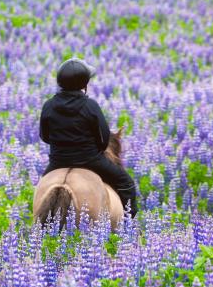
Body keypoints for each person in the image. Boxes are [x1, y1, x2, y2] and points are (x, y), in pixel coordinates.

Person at [40, 58, 139, 216]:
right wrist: (95, 150)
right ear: (84, 84)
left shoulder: (48, 105)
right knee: (125, 182)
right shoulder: (90, 106)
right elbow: (104, 137)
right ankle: (129, 226)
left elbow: (44, 136)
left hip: (58, 161)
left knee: (41, 187)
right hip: (90, 160)